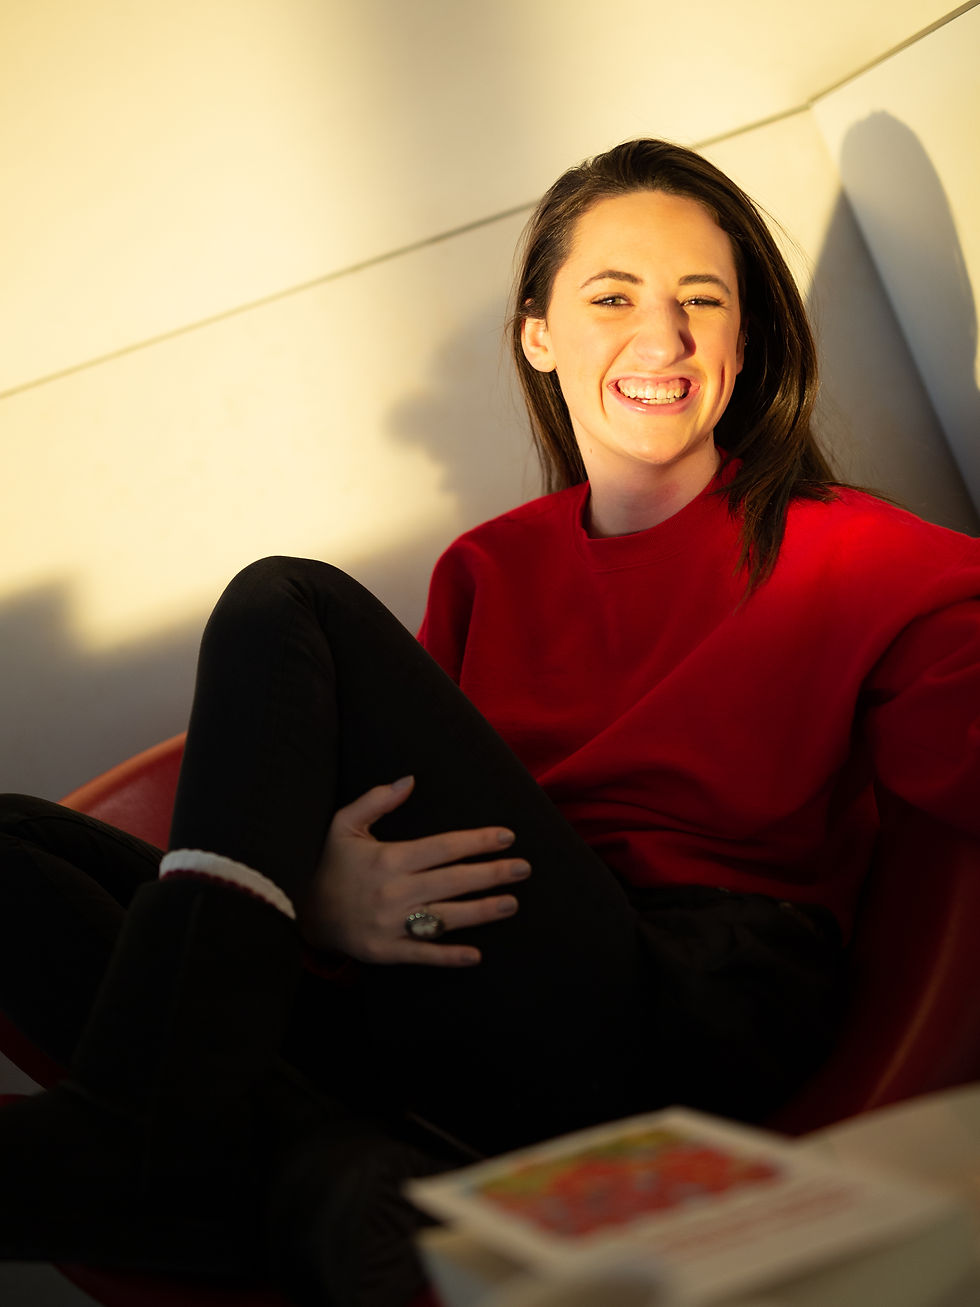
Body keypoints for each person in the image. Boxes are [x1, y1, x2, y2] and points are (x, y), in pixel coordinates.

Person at [1, 138, 978, 1307]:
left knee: (285, 598)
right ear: (536, 333)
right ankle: (334, 1178)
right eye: (611, 295)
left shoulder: (863, 555)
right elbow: (374, 810)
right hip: (469, 989)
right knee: (12, 845)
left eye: (699, 301)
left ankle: (153, 1140)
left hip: (681, 1005)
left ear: (743, 338)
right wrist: (316, 898)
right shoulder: (487, 570)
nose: (659, 337)